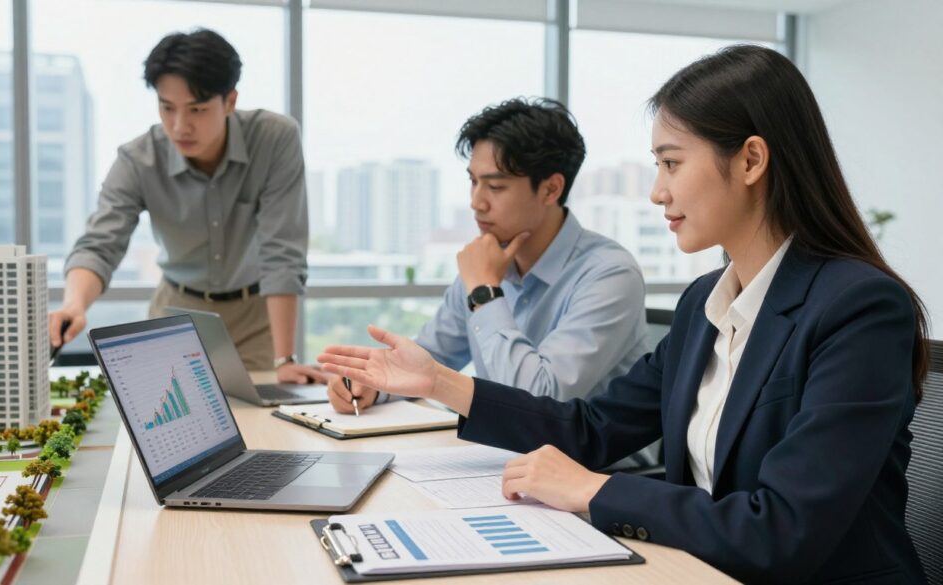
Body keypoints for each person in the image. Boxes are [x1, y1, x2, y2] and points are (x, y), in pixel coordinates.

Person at [318, 45, 929, 583]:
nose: (656, 192)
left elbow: (783, 530)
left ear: (750, 161)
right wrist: (439, 382)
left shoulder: (860, 309)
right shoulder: (704, 304)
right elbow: (590, 429)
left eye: (670, 163)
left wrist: (595, 489)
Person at [327, 98, 648, 413]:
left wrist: (484, 291)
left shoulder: (610, 274)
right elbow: (430, 360)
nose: (476, 202)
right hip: (498, 456)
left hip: (589, 464)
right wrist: (374, 384)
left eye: (495, 187)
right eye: (473, 182)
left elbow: (539, 399)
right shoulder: (487, 261)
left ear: (551, 189)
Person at [49, 29, 324, 383]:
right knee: (167, 421)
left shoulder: (274, 138)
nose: (180, 126)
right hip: (175, 313)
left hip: (254, 316)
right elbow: (100, 244)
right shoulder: (138, 159)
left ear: (229, 101)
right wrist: (74, 305)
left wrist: (285, 358)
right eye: (167, 107)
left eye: (197, 109)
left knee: (262, 422)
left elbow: (282, 251)